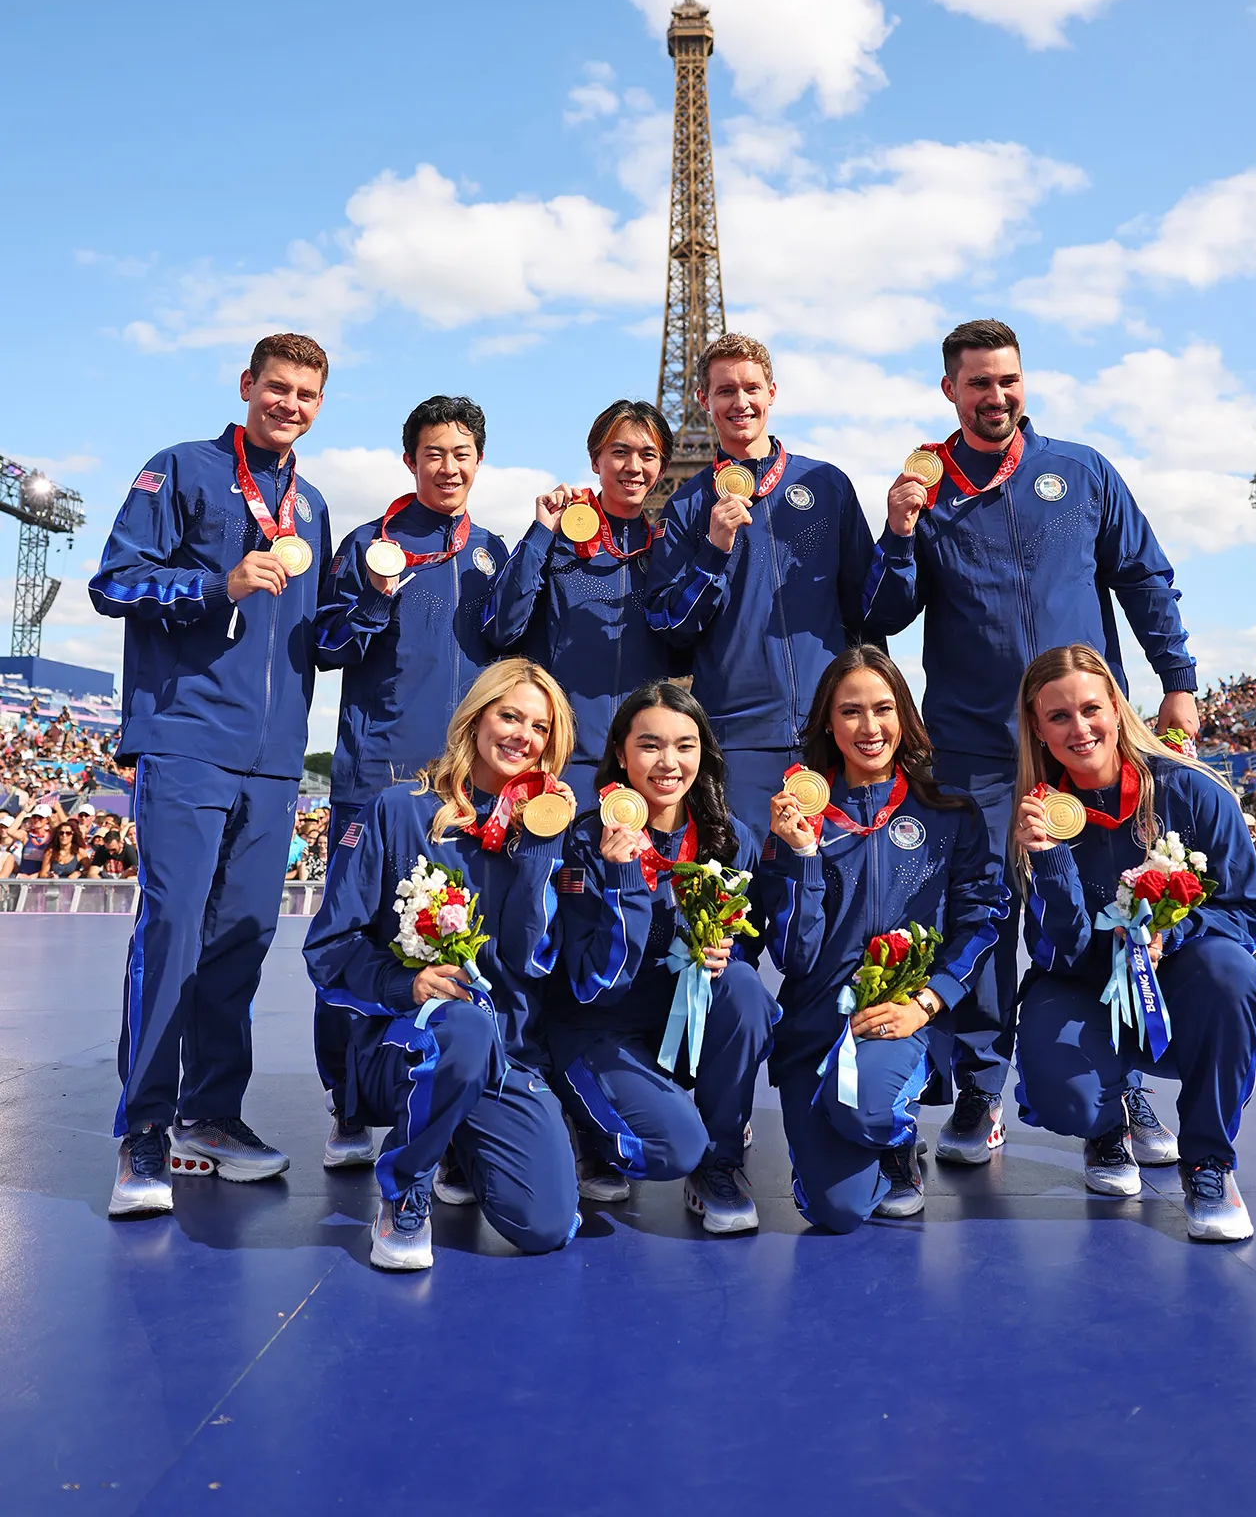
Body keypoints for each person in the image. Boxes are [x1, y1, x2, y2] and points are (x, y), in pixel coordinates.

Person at [862, 318, 1198, 1166]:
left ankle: (1119, 1090)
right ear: (949, 390)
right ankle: (980, 1091)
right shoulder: (924, 489)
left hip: (1081, 745)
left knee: (1108, 909)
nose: (995, 395)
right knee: (981, 917)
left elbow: (1142, 576)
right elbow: (883, 614)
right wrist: (896, 534)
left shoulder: (1080, 470)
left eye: (1007, 379)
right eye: (977, 382)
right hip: (973, 747)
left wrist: (1178, 680)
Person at [90, 331, 331, 1218]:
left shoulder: (313, 506)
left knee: (242, 940)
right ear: (246, 385)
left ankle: (211, 1115)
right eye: (277, 387)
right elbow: (114, 582)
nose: (289, 404)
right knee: (173, 931)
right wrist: (213, 586)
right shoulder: (180, 468)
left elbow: (315, 636)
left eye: (305, 394)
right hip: (187, 735)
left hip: (275, 759)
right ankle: (145, 1129)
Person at [303, 659, 581, 1271]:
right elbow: (329, 949)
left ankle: (460, 1137)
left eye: (540, 727)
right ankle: (405, 1187)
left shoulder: (546, 832)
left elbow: (531, 964)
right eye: (510, 716)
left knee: (547, 1225)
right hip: (402, 1047)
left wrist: (539, 853)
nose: (523, 736)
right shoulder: (398, 811)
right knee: (463, 1028)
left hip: (504, 1055)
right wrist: (405, 985)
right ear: (476, 719)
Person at [1011, 644, 1256, 1241]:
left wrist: (1171, 934)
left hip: (1176, 979)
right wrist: (1049, 859)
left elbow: (1252, 909)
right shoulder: (1036, 815)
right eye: (1059, 716)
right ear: (1037, 727)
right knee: (1066, 1099)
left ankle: (1208, 1161)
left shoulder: (1191, 790)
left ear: (1116, 707)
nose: (1080, 728)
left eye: (1091, 709)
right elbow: (1060, 950)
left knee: (1230, 976)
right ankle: (1107, 1122)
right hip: (1083, 983)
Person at [313, 394, 509, 1165]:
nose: (448, 467)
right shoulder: (369, 543)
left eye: (461, 454)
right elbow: (326, 646)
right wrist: (370, 595)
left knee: (459, 936)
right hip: (377, 777)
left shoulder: (492, 552)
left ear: (478, 461)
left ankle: (444, 1101)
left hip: (463, 785)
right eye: (434, 453)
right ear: (410, 461)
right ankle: (348, 1104)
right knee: (357, 939)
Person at [759, 647, 1001, 1230]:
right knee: (837, 1212)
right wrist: (802, 856)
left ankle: (893, 1136)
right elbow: (793, 955)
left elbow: (981, 919)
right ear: (828, 723)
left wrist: (927, 1002)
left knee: (865, 1112)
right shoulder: (796, 820)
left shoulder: (949, 812)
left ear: (904, 716)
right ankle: (847, 1131)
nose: (869, 727)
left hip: (901, 1018)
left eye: (883, 709)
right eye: (851, 711)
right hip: (816, 1026)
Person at [547, 682, 777, 1234]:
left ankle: (719, 1164)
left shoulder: (730, 840)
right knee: (674, 1148)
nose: (669, 762)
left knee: (744, 987)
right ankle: (592, 1127)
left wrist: (725, 952)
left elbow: (748, 948)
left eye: (685, 745)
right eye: (649, 745)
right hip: (601, 1029)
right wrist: (623, 879)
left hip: (681, 1030)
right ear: (621, 754)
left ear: (704, 753)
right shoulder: (585, 842)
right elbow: (589, 986)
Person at [646, 333, 875, 840]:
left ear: (772, 391)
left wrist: (900, 540)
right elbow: (669, 629)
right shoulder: (686, 506)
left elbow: (868, 610)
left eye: (751, 388)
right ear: (703, 399)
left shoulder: (827, 485)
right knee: (745, 880)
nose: (741, 402)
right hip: (737, 739)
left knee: (836, 877)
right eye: (725, 390)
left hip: (831, 730)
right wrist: (714, 550)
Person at [483, 399, 674, 809]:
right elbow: (502, 628)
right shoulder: (558, 536)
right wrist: (541, 533)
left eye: (648, 455)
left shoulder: (667, 552)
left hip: (641, 766)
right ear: (595, 460)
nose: (633, 466)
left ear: (662, 469)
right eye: (619, 451)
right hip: (561, 759)